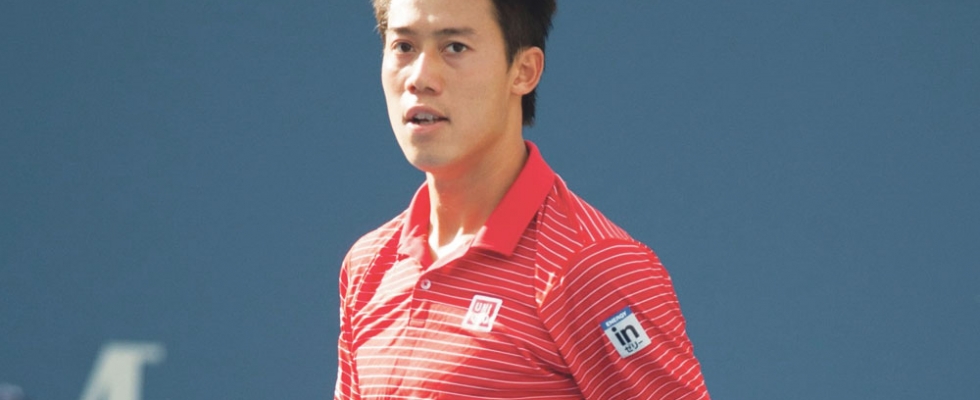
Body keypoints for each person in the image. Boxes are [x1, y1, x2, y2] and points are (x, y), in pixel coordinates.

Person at [334, 0, 710, 398]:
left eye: (455, 47)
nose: (420, 78)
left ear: (524, 71)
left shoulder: (593, 267)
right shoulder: (367, 265)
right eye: (404, 47)